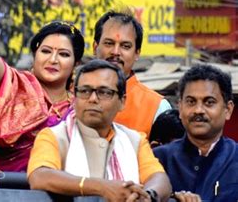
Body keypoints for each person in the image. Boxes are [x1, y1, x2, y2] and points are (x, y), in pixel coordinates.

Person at [28, 60, 171, 201]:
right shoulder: (54, 136)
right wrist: (102, 187)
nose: (93, 99)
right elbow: (40, 176)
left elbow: (159, 178)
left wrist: (148, 196)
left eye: (104, 92)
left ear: (122, 102)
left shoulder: (135, 140)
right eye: (85, 91)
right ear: (74, 96)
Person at [0, 1, 85, 171]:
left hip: (62, 189)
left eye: (64, 54)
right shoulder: (18, 84)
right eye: (46, 51)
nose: (53, 60)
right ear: (35, 55)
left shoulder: (80, 106)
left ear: (76, 63)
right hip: (7, 189)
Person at [154, 64, 237, 201]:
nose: (198, 110)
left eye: (209, 102)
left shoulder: (234, 158)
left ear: (228, 110)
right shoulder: (158, 159)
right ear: (180, 108)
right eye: (191, 102)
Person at [93, 10, 171, 137]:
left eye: (125, 46)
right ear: (95, 47)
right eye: (109, 43)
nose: (116, 52)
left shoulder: (157, 107)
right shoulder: (74, 98)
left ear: (137, 53)